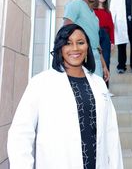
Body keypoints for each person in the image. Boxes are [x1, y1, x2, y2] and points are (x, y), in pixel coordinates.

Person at [7, 24, 123, 169]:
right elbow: (21, 134)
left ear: (87, 47)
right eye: (68, 43)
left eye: (80, 43)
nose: (75, 48)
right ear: (60, 48)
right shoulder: (41, 83)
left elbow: (111, 134)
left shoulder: (99, 83)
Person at [63, 0, 109, 82]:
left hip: (96, 60)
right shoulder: (76, 4)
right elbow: (65, 30)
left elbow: (97, 46)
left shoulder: (95, 17)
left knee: (96, 93)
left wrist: (104, 66)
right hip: (82, 56)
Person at [93, 0, 114, 88]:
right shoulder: (92, 10)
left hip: (105, 36)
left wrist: (112, 42)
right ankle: (97, 86)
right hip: (95, 34)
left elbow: (111, 27)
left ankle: (105, 88)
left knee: (106, 60)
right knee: (95, 60)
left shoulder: (108, 12)